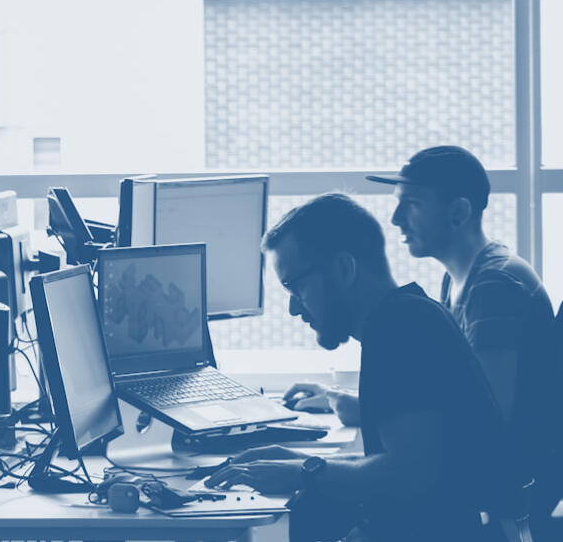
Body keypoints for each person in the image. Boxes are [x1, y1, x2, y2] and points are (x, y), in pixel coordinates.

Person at [207, 194, 509, 541]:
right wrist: (299, 462)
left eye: (296, 286)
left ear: (343, 269)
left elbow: (411, 474)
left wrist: (304, 472)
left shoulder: (401, 329)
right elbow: (403, 462)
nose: (293, 308)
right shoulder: (408, 315)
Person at [369, 145, 562, 537]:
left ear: (458, 213)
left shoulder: (494, 286)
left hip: (503, 494)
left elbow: (489, 416)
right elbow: (456, 395)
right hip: (490, 483)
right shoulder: (460, 278)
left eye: (412, 204)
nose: (395, 218)